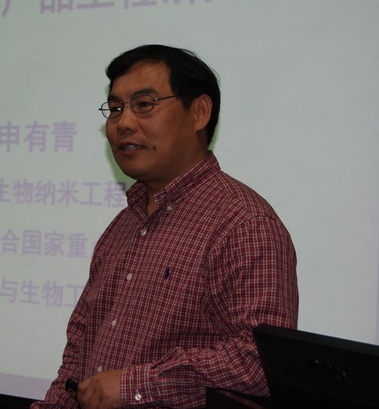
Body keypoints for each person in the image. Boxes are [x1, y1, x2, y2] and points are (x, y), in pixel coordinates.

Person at [32, 45, 298, 409]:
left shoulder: (244, 224)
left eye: (144, 104)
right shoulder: (124, 224)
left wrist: (134, 386)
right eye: (115, 108)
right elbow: (79, 353)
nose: (123, 123)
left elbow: (259, 363)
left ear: (199, 112)